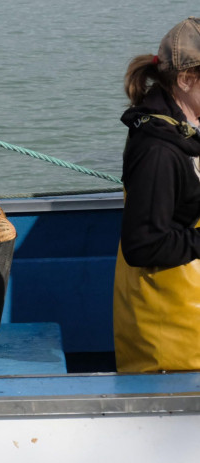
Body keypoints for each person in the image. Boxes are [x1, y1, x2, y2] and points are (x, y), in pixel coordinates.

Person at [113, 17, 200, 373]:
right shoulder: (159, 152)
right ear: (186, 79)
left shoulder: (184, 128)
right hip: (173, 346)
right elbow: (144, 244)